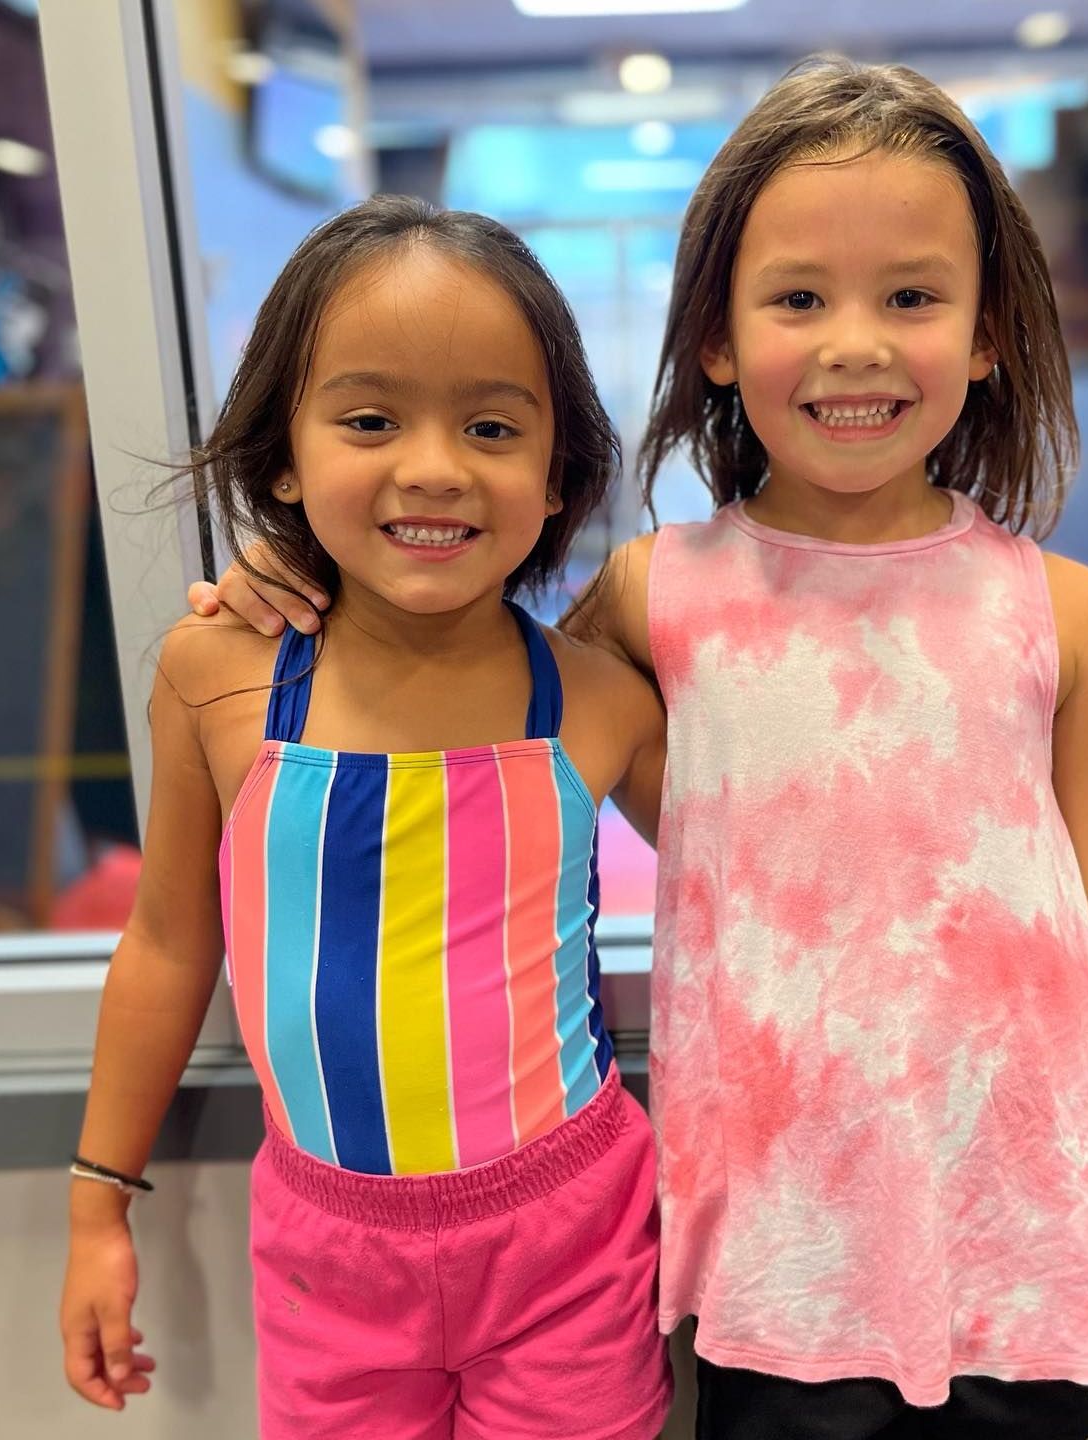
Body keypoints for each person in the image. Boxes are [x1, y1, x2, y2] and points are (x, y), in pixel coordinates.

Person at [191, 59, 1088, 1440]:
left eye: (911, 296)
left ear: (988, 334)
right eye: (798, 297)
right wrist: (281, 581)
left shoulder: (1059, 612)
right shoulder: (655, 598)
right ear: (716, 336)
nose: (854, 342)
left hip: (1028, 1248)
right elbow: (444, 653)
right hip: (776, 1272)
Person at [60, 196, 671, 1440]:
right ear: (283, 454)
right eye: (371, 419)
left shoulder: (604, 697)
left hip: (574, 1238)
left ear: (557, 473)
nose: (435, 467)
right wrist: (95, 1206)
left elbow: (779, 877)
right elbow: (172, 945)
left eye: (492, 425)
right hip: (325, 1253)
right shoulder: (217, 675)